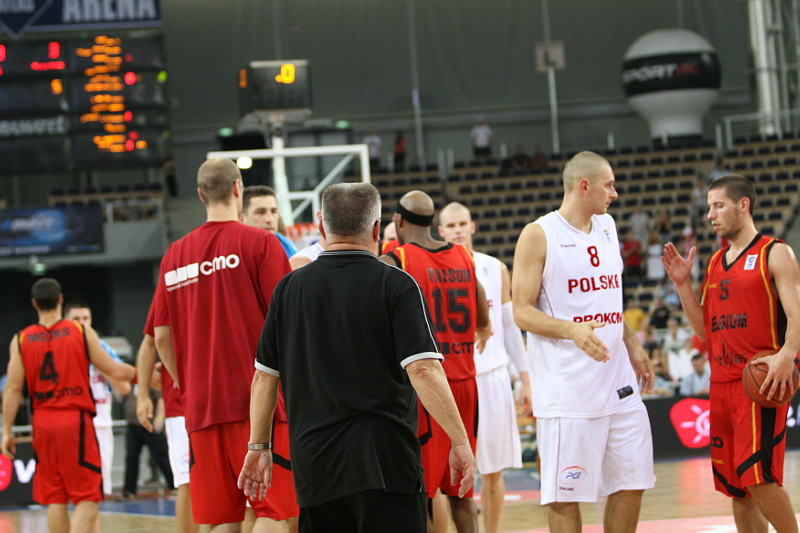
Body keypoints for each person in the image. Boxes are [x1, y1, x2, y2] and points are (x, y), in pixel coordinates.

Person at [238, 182, 476, 533]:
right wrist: (459, 440)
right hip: (385, 463)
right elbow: (424, 370)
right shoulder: (397, 284)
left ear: (322, 226)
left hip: (315, 466)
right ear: (377, 228)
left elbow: (264, 376)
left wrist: (259, 445)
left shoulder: (288, 289)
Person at [511, 151, 655, 533]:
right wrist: (572, 330)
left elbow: (609, 298)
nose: (615, 193)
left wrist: (632, 343)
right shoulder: (539, 234)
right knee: (564, 497)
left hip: (619, 385)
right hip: (569, 392)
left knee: (632, 482)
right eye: (609, 185)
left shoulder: (608, 226)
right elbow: (521, 312)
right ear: (584, 186)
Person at [151, 158, 292, 531]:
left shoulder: (174, 254)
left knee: (219, 520)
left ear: (200, 195)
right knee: (275, 511)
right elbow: (287, 323)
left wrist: (186, 384)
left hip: (202, 407)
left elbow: (161, 335)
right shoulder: (261, 243)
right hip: (258, 404)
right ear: (237, 189)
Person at [662, 174, 800, 533]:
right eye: (709, 207)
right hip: (720, 385)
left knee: (760, 479)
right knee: (738, 488)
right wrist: (682, 285)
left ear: (743, 205)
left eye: (718, 206)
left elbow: (797, 312)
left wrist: (787, 354)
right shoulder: (714, 262)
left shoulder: (775, 252)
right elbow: (704, 331)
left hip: (758, 383)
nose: (710, 214)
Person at [381, 191, 490, 533]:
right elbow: (483, 317)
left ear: (398, 221)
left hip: (426, 386)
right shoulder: (463, 256)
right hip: (466, 385)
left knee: (422, 495)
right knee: (462, 491)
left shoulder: (395, 259)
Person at [2, 278, 135, 533]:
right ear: (60, 300)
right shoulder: (79, 331)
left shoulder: (21, 339)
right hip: (74, 419)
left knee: (56, 498)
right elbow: (114, 369)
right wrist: (144, 375)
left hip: (42, 421)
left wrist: (7, 431)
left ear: (34, 304)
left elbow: (12, 389)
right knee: (89, 497)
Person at [437, 201, 531, 533]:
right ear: (441, 231)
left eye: (462, 223)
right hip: (452, 379)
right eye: (451, 226)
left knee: (493, 470)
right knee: (447, 473)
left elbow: (509, 327)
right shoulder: (435, 270)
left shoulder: (495, 268)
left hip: (492, 378)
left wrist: (526, 380)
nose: (458, 230)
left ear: (472, 226)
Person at [63, 300, 131, 501]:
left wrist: (102, 365)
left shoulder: (103, 348)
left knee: (98, 491)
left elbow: (124, 387)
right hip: (70, 426)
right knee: (70, 490)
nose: (82, 323)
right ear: (66, 321)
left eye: (86, 318)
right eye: (76, 319)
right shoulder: (60, 348)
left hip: (100, 425)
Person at [123, 369, 173, 497]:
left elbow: (161, 399)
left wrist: (159, 418)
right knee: (131, 457)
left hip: (149, 424)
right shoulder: (132, 381)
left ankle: (173, 484)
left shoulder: (150, 379)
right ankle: (129, 489)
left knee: (161, 455)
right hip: (133, 425)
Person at [241, 185, 297, 259]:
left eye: (273, 211)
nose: (269, 219)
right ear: (242, 219)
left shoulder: (288, 249)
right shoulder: (233, 252)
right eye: (261, 212)